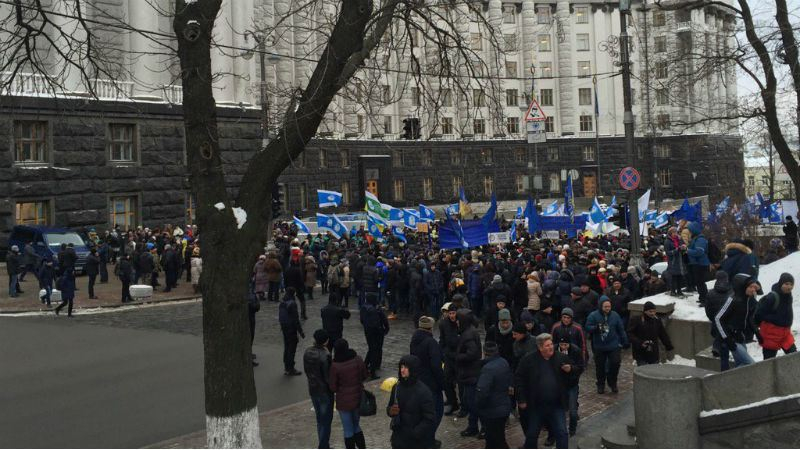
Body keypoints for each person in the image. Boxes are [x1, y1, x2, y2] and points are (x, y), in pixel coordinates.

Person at [514, 333, 570, 449]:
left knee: (562, 433)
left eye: (551, 344)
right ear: (540, 347)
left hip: (556, 404)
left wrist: (571, 370)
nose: (551, 347)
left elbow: (574, 372)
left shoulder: (560, 357)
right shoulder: (529, 360)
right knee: (532, 434)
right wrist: (521, 399)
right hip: (536, 405)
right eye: (547, 345)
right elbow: (519, 379)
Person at [386, 355, 437, 449]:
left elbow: (429, 418)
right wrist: (390, 411)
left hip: (416, 442)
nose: (402, 370)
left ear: (413, 369)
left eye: (405, 367)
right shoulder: (396, 387)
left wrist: (415, 433)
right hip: (398, 439)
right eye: (401, 367)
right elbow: (389, 407)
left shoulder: (423, 391)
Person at [713, 274, 759, 370]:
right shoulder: (732, 300)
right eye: (750, 287)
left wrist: (757, 332)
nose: (753, 289)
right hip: (731, 338)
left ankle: (731, 380)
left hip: (740, 337)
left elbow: (749, 318)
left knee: (741, 366)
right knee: (751, 364)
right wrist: (727, 339)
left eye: (754, 287)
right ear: (742, 287)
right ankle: (724, 378)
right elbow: (718, 318)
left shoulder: (749, 299)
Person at [329, 339, 368, 449]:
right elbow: (365, 375)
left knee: (348, 429)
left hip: (343, 402)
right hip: (357, 398)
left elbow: (332, 387)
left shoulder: (335, 365)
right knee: (356, 426)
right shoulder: (357, 359)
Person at [410, 316, 445, 438]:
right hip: (432, 384)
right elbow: (436, 366)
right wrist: (443, 383)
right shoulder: (431, 343)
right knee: (437, 411)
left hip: (419, 382)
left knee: (423, 412)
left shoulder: (414, 340)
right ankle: (429, 438)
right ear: (430, 328)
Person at [585, 297, 627, 394]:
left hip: (613, 344)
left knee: (615, 363)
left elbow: (621, 329)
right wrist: (596, 328)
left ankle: (612, 382)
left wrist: (625, 340)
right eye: (605, 306)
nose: (608, 308)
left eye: (609, 306)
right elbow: (587, 327)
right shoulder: (593, 315)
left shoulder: (615, 315)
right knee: (600, 366)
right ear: (601, 306)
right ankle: (600, 384)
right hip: (599, 346)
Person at [475, 341, 512, 449]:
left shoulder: (488, 368)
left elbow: (482, 392)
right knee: (495, 439)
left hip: (492, 410)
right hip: (503, 406)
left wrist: (479, 405)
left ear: (484, 352)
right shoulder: (503, 362)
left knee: (496, 441)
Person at [754, 273, 796, 359]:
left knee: (795, 358)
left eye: (791, 284)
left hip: (785, 334)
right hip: (771, 335)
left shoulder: (788, 296)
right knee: (769, 362)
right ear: (781, 283)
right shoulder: (772, 297)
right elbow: (759, 314)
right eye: (786, 284)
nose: (789, 287)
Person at [304, 330, 334, 449]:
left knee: (319, 418)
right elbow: (328, 376)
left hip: (313, 388)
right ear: (326, 341)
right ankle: (323, 446)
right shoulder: (325, 355)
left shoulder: (307, 352)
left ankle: (323, 444)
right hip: (324, 391)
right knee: (326, 420)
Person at [455, 308, 483, 437]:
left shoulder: (468, 334)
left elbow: (472, 353)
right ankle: (474, 426)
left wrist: (458, 356)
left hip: (471, 373)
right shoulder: (470, 331)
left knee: (472, 402)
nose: (457, 323)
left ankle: (477, 427)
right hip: (470, 372)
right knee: (470, 400)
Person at [627, 301, 674, 366]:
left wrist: (668, 345)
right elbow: (630, 334)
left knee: (653, 371)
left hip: (653, 352)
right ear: (645, 311)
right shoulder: (636, 320)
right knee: (643, 372)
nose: (652, 313)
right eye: (650, 311)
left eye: (654, 311)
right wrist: (640, 343)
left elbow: (663, 334)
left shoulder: (657, 320)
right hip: (641, 352)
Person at [556, 335, 585, 437]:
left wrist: (571, 368)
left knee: (572, 411)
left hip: (572, 384)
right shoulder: (554, 350)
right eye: (561, 345)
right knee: (558, 410)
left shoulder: (576, 351)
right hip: (558, 385)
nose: (563, 347)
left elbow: (581, 367)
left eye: (566, 345)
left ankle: (572, 429)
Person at [360, 294, 390, 379]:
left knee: (371, 349)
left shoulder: (364, 308)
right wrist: (384, 330)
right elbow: (381, 321)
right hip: (376, 333)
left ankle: (365, 366)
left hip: (368, 331)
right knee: (375, 350)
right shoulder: (376, 310)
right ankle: (372, 371)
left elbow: (362, 320)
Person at [438, 303, 461, 416]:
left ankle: (463, 405)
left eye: (454, 313)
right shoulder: (443, 324)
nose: (452, 315)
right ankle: (453, 402)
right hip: (448, 356)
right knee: (447, 380)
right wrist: (441, 352)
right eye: (450, 313)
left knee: (460, 382)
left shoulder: (461, 322)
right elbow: (442, 339)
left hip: (459, 357)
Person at [705, 271, 732, 361]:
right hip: (729, 320)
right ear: (727, 279)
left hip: (715, 320)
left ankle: (717, 347)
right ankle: (718, 347)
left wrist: (713, 318)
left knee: (718, 331)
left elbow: (708, 310)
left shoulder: (710, 293)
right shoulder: (732, 292)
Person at [279, 287, 305, 376]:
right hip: (291, 328)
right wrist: (301, 332)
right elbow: (296, 319)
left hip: (284, 327)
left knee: (287, 347)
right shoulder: (292, 304)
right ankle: (291, 368)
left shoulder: (282, 302)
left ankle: (286, 367)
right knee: (291, 349)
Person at [686, 222, 710, 306]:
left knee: (700, 282)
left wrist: (687, 251)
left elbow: (699, 252)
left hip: (701, 264)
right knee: (698, 282)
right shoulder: (696, 238)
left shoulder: (700, 239)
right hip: (697, 264)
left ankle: (705, 300)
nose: (689, 232)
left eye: (690, 230)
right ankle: (702, 297)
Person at [664, 227, 687, 297]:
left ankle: (679, 291)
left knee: (680, 277)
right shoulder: (667, 241)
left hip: (680, 261)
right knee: (673, 277)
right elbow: (668, 253)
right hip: (673, 262)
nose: (675, 234)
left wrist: (684, 247)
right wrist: (677, 250)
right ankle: (673, 291)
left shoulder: (679, 239)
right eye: (673, 232)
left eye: (676, 232)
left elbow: (684, 246)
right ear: (670, 233)